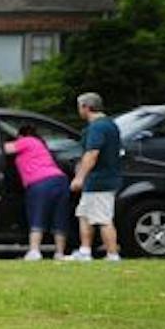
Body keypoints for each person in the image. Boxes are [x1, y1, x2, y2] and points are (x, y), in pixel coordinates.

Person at [67, 90, 123, 261]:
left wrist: (79, 177)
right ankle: (85, 251)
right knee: (84, 214)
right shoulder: (110, 124)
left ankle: (112, 255)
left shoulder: (97, 127)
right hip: (100, 180)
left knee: (103, 219)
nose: (79, 110)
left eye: (80, 107)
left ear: (86, 107)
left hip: (100, 180)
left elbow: (92, 154)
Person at [4, 120, 69, 260]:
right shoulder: (41, 145)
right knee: (59, 216)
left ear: (21, 135)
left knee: (37, 214)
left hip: (40, 182)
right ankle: (59, 253)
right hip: (60, 180)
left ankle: (34, 251)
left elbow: (4, 148)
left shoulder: (27, 140)